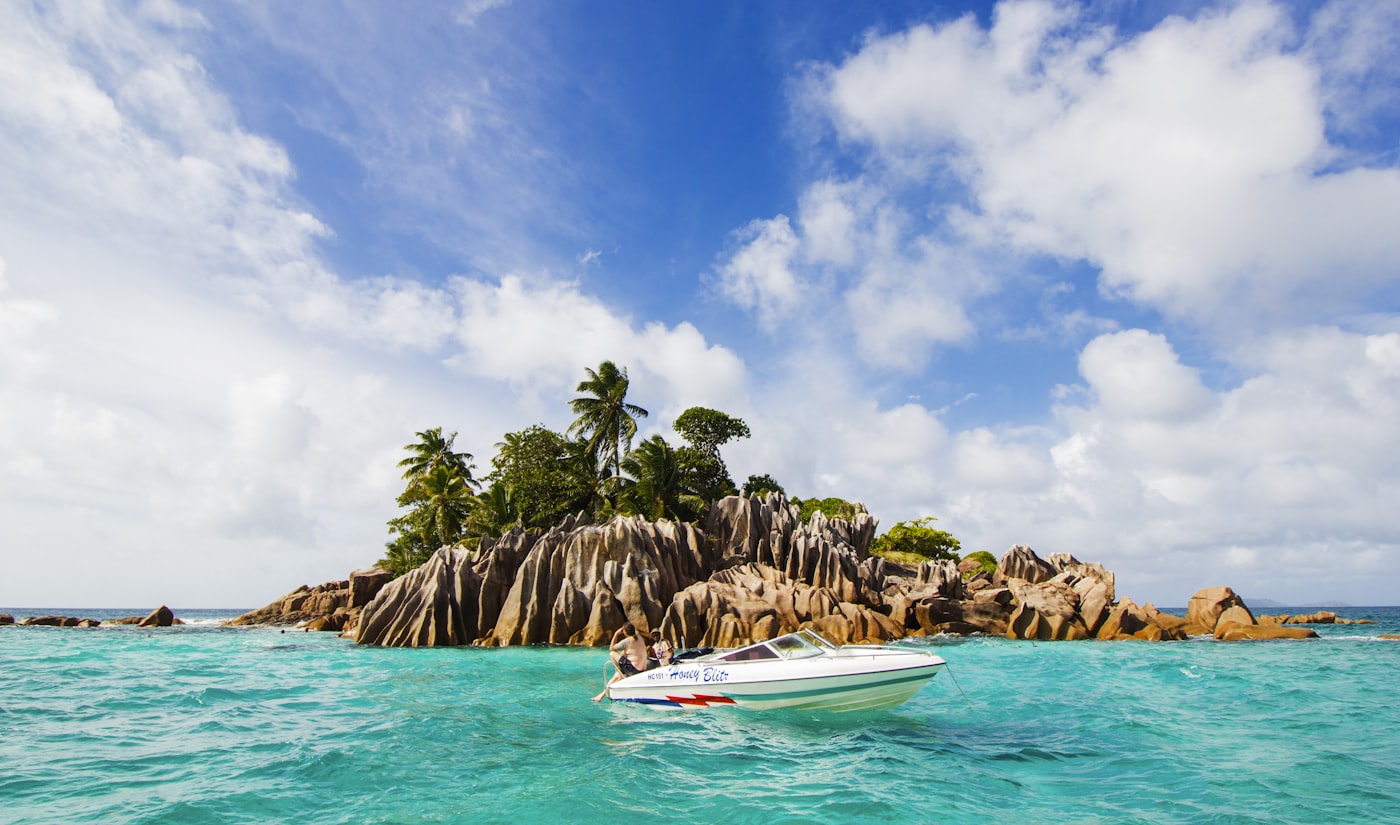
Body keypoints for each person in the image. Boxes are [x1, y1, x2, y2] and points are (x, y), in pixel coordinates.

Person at [592, 623, 651, 701]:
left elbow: (611, 648)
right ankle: (602, 695)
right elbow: (629, 652)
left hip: (634, 670)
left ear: (625, 632)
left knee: (612, 654)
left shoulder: (627, 641)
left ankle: (620, 673)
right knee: (617, 674)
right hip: (642, 668)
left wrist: (616, 634)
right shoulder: (639, 637)